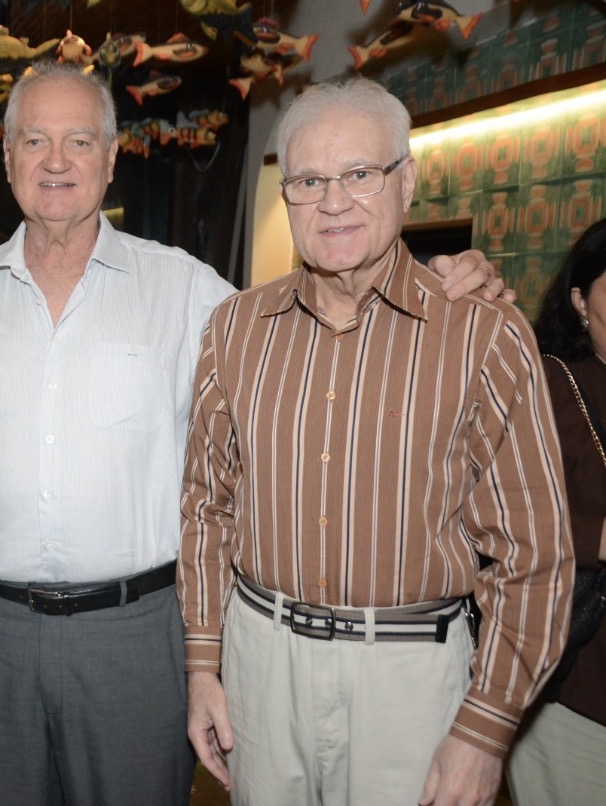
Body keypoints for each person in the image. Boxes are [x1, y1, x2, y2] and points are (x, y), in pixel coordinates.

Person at [0, 63, 506, 805]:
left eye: (79, 141)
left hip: (135, 634)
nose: (55, 161)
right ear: (8, 159)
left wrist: (430, 282)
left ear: (111, 160)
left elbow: (307, 330)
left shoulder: (185, 289)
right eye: (34, 140)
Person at [179, 75, 573, 806]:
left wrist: (485, 730)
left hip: (412, 679)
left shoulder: (483, 335)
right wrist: (204, 663)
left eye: (360, 173)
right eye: (308, 180)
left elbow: (536, 554)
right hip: (261, 665)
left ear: (407, 181)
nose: (334, 201)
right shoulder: (233, 328)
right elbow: (207, 505)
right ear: (285, 194)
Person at [506, 220, 606, 804]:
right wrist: (597, 536)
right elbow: (499, 520)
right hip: (575, 684)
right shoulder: (547, 384)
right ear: (578, 300)